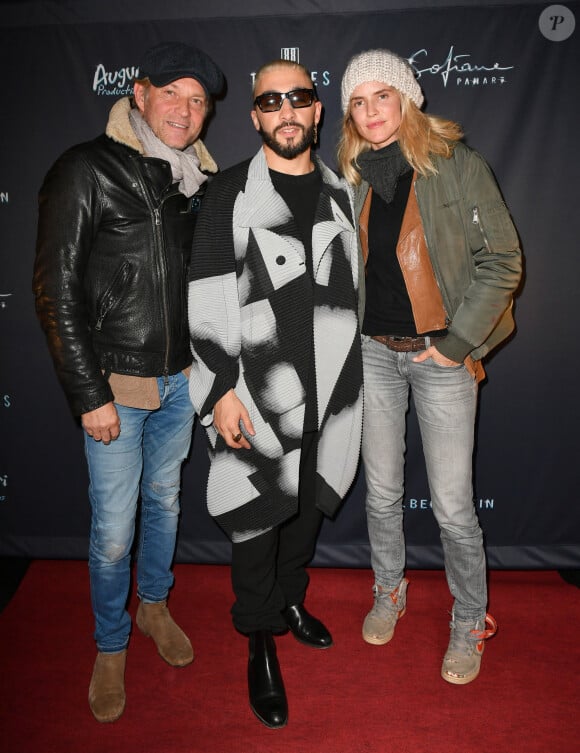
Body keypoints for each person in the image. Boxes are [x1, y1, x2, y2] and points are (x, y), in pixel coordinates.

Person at [33, 41, 225, 722]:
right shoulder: (86, 167)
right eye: (172, 92)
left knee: (166, 504)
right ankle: (110, 641)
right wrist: (89, 393)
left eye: (199, 100)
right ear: (139, 94)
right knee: (114, 527)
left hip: (181, 382)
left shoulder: (197, 183)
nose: (186, 108)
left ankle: (153, 605)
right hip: (115, 385)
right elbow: (54, 288)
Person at [338, 49, 522, 685]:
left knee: (450, 505)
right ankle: (389, 590)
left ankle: (470, 617)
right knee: (383, 492)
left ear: (407, 99)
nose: (370, 112)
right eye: (357, 103)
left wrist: (455, 343)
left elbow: (502, 261)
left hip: (440, 357)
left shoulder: (458, 166)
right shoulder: (352, 176)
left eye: (380, 96)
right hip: (373, 355)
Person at [188, 59, 363, 728]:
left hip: (333, 386)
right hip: (254, 391)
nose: (286, 110)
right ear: (255, 115)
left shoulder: (342, 192)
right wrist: (220, 390)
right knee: (259, 514)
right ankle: (259, 634)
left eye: (299, 98)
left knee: (308, 508)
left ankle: (290, 598)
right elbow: (203, 296)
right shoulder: (228, 189)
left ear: (319, 112)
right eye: (271, 101)